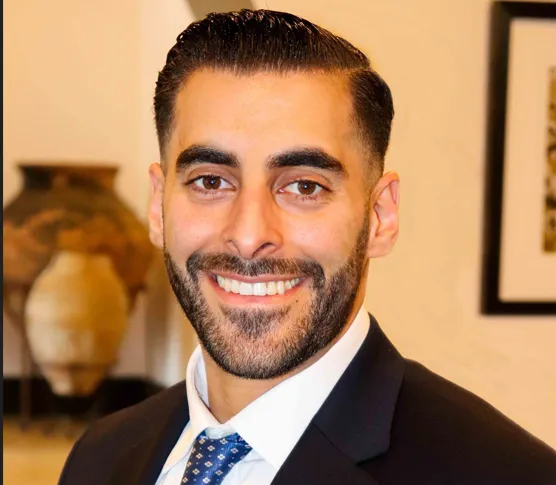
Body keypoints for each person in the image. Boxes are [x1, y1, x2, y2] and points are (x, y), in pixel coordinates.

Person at [58, 9, 556, 485]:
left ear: (380, 216)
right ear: (158, 207)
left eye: (304, 187)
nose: (249, 235)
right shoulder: (100, 457)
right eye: (211, 181)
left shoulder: (511, 477)